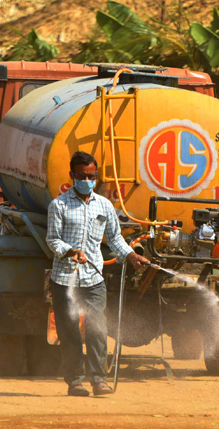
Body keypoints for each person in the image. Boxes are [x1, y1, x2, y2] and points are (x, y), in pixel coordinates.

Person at [46, 151, 151, 397]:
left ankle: (99, 379)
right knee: (70, 330)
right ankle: (75, 382)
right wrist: (70, 250)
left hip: (94, 280)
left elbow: (115, 239)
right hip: (65, 279)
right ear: (72, 176)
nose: (87, 179)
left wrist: (131, 255)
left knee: (96, 328)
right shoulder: (58, 205)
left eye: (91, 175)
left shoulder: (105, 206)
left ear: (97, 176)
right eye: (82, 176)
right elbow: (52, 239)